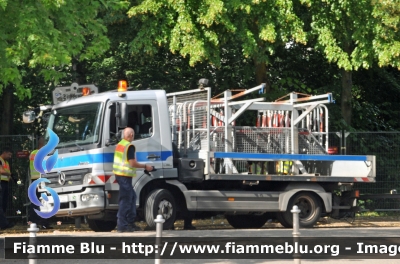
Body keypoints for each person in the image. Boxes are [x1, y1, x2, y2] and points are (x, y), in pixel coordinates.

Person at [113, 127, 153, 233]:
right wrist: (145, 166)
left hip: (120, 175)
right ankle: (122, 225)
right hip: (124, 176)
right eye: (133, 134)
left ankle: (130, 223)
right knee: (126, 200)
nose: (133, 136)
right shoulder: (129, 146)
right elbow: (132, 163)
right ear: (131, 135)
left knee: (131, 197)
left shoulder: (120, 144)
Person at [28, 137, 52, 229]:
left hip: (34, 179)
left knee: (35, 201)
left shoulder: (33, 153)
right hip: (41, 179)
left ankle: (34, 221)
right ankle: (44, 222)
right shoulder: (43, 154)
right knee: (44, 200)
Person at [0, 147, 13, 214]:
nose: (10, 157)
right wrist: (10, 174)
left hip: (5, 182)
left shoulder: (6, 162)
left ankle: (3, 220)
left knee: (4, 202)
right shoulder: (0, 160)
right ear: (4, 153)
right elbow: (1, 171)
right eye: (9, 154)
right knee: (1, 201)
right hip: (1, 183)